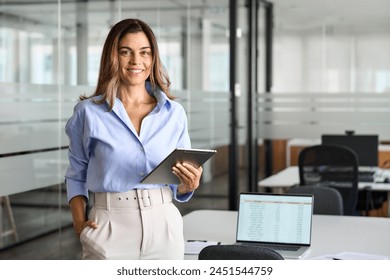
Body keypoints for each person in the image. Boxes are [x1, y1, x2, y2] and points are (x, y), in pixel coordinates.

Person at [64, 18, 203, 260]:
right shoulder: (88, 113)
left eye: (144, 52)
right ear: (113, 57)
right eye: (125, 52)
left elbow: (176, 181)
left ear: (153, 58)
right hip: (108, 227)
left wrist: (188, 184)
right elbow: (76, 173)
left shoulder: (174, 113)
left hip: (163, 225)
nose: (136, 61)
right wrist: (80, 225)